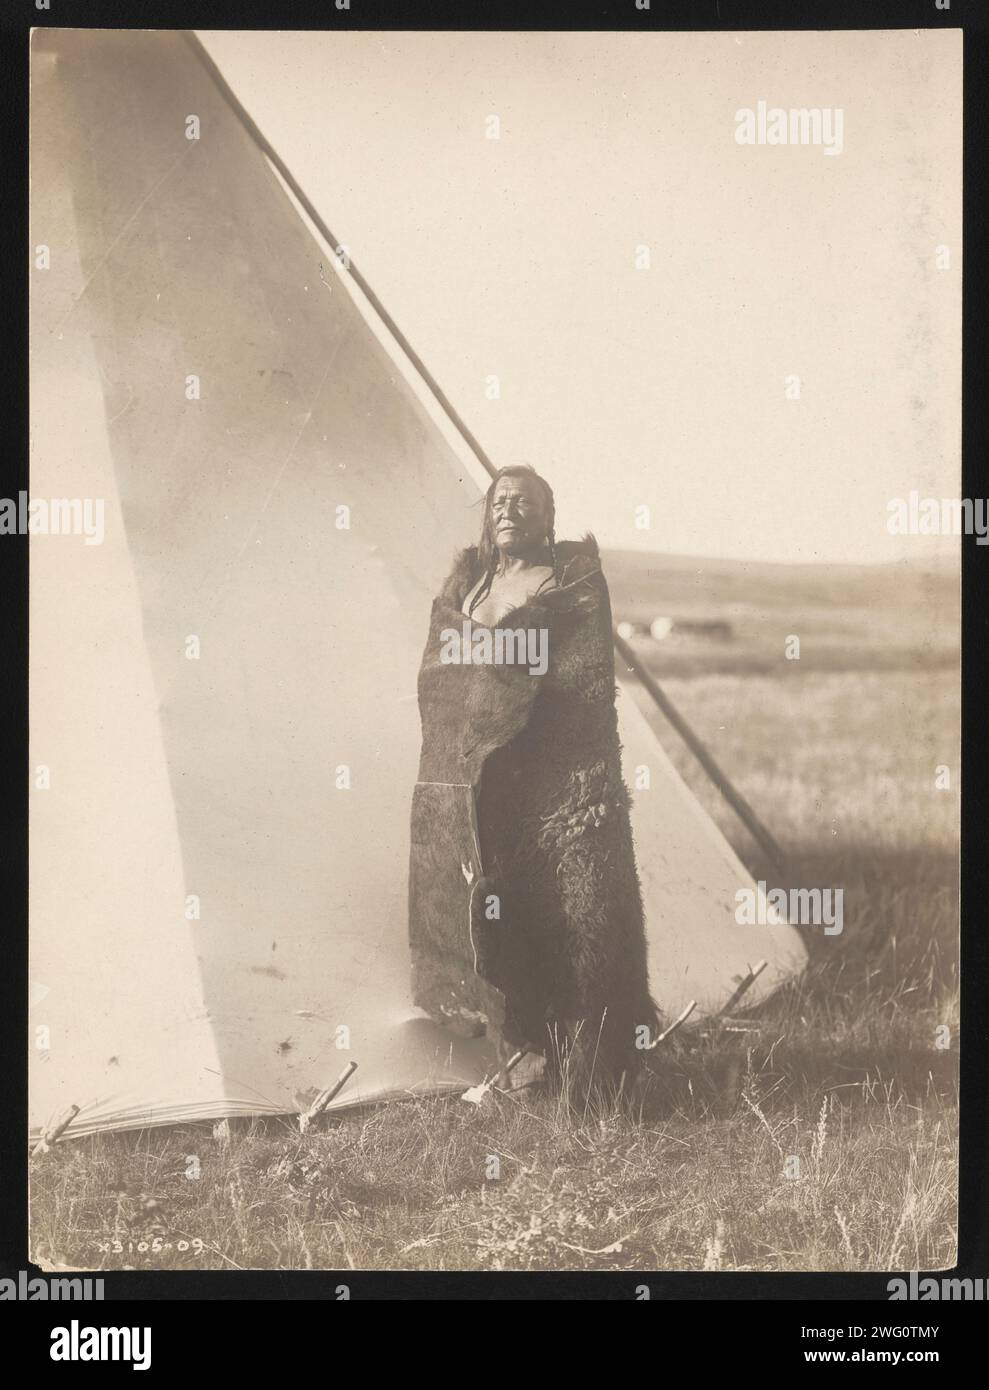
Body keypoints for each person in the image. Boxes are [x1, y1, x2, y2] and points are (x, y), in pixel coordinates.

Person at [409, 465, 656, 1095]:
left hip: (553, 785)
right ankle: (520, 1058)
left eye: (524, 503)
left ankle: (594, 1075)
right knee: (493, 917)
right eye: (499, 502)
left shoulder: (569, 586)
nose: (508, 512)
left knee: (576, 922)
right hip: (477, 789)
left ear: (549, 517)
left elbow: (579, 685)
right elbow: (445, 683)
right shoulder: (469, 589)